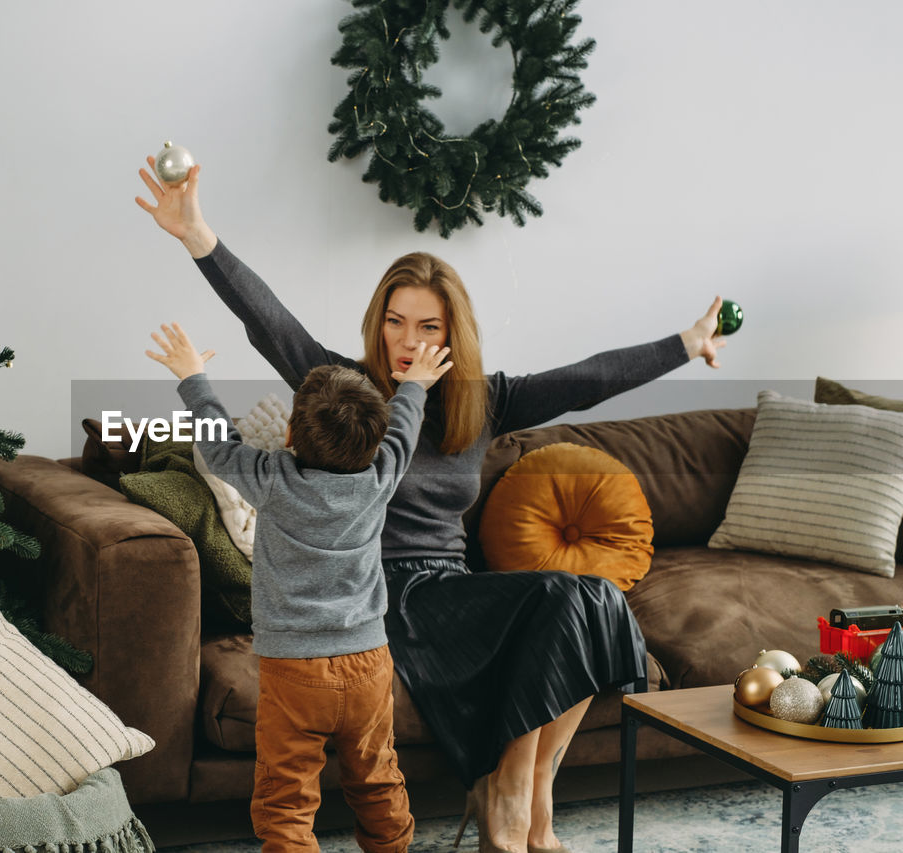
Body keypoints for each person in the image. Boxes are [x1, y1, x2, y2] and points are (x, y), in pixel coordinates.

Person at [136, 162, 726, 853]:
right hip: (387, 597)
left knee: (595, 600)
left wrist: (686, 344)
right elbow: (269, 322)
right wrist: (197, 234)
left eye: (426, 325)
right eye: (394, 321)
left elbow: (587, 380)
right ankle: (509, 800)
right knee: (572, 600)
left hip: (452, 587)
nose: (408, 340)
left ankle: (531, 797)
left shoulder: (484, 400)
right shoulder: (347, 395)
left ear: (453, 333)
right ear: (377, 325)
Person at [145, 321, 453, 853]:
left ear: (290, 435)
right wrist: (415, 385)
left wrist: (193, 376)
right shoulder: (382, 476)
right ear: (374, 442)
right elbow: (404, 428)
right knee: (377, 776)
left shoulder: (272, 480)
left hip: (293, 671)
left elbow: (219, 446)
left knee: (286, 796)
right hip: (368, 663)